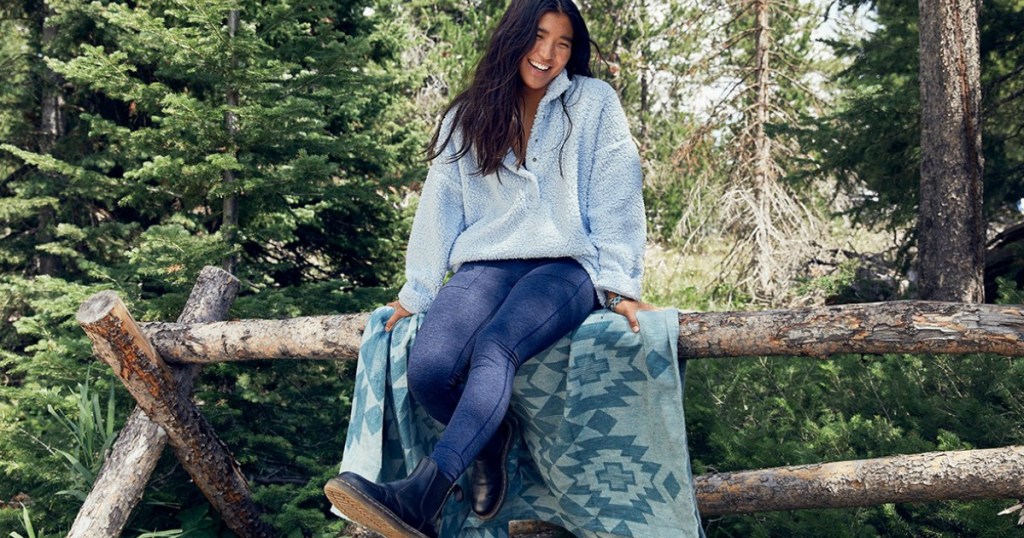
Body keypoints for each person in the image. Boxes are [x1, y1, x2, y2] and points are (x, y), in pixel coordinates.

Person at [324, 0, 650, 536]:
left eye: (563, 43)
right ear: (514, 36)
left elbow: (618, 190)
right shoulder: (468, 113)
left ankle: (420, 497)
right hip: (487, 262)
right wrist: (418, 291)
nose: (548, 54)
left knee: (495, 346)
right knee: (429, 368)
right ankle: (489, 435)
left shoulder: (592, 102)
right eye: (539, 36)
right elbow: (440, 206)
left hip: (566, 267)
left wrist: (619, 286)